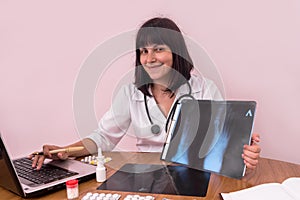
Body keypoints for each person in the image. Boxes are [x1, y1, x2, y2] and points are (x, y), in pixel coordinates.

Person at [30, 17, 261, 171]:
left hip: (192, 175)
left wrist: (242, 148)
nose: (149, 59)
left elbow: (223, 140)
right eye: (143, 51)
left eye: (159, 49)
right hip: (147, 175)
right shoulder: (130, 93)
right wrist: (64, 151)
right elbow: (103, 137)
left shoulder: (205, 89)